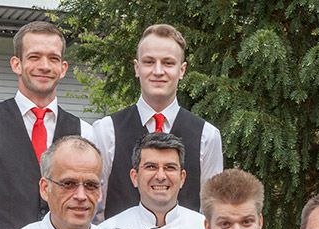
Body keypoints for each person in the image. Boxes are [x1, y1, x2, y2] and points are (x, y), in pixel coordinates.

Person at [0, 21, 94, 229]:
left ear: (63, 68)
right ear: (16, 64)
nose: (44, 66)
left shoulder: (85, 132)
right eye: (34, 57)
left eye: (53, 58)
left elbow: (93, 206)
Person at [93, 24, 223, 217]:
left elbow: (211, 211)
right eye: (149, 62)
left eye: (168, 63)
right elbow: (95, 206)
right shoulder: (105, 130)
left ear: (182, 70)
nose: (158, 71)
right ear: (137, 68)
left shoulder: (207, 135)